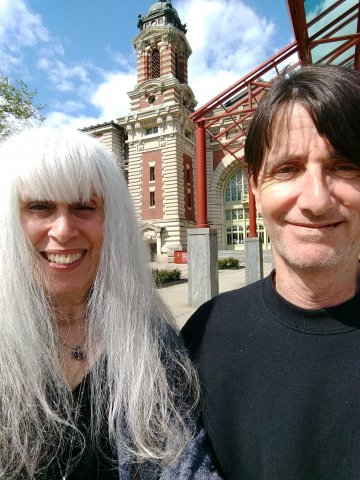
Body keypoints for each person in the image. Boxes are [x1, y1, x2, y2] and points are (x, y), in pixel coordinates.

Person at [0, 127, 221, 479]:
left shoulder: (152, 343)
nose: (63, 230)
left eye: (84, 207)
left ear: (111, 222)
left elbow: (184, 463)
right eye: (39, 206)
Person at [181, 64, 360, 480]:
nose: (316, 200)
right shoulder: (203, 337)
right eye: (288, 169)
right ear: (255, 188)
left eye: (344, 166)